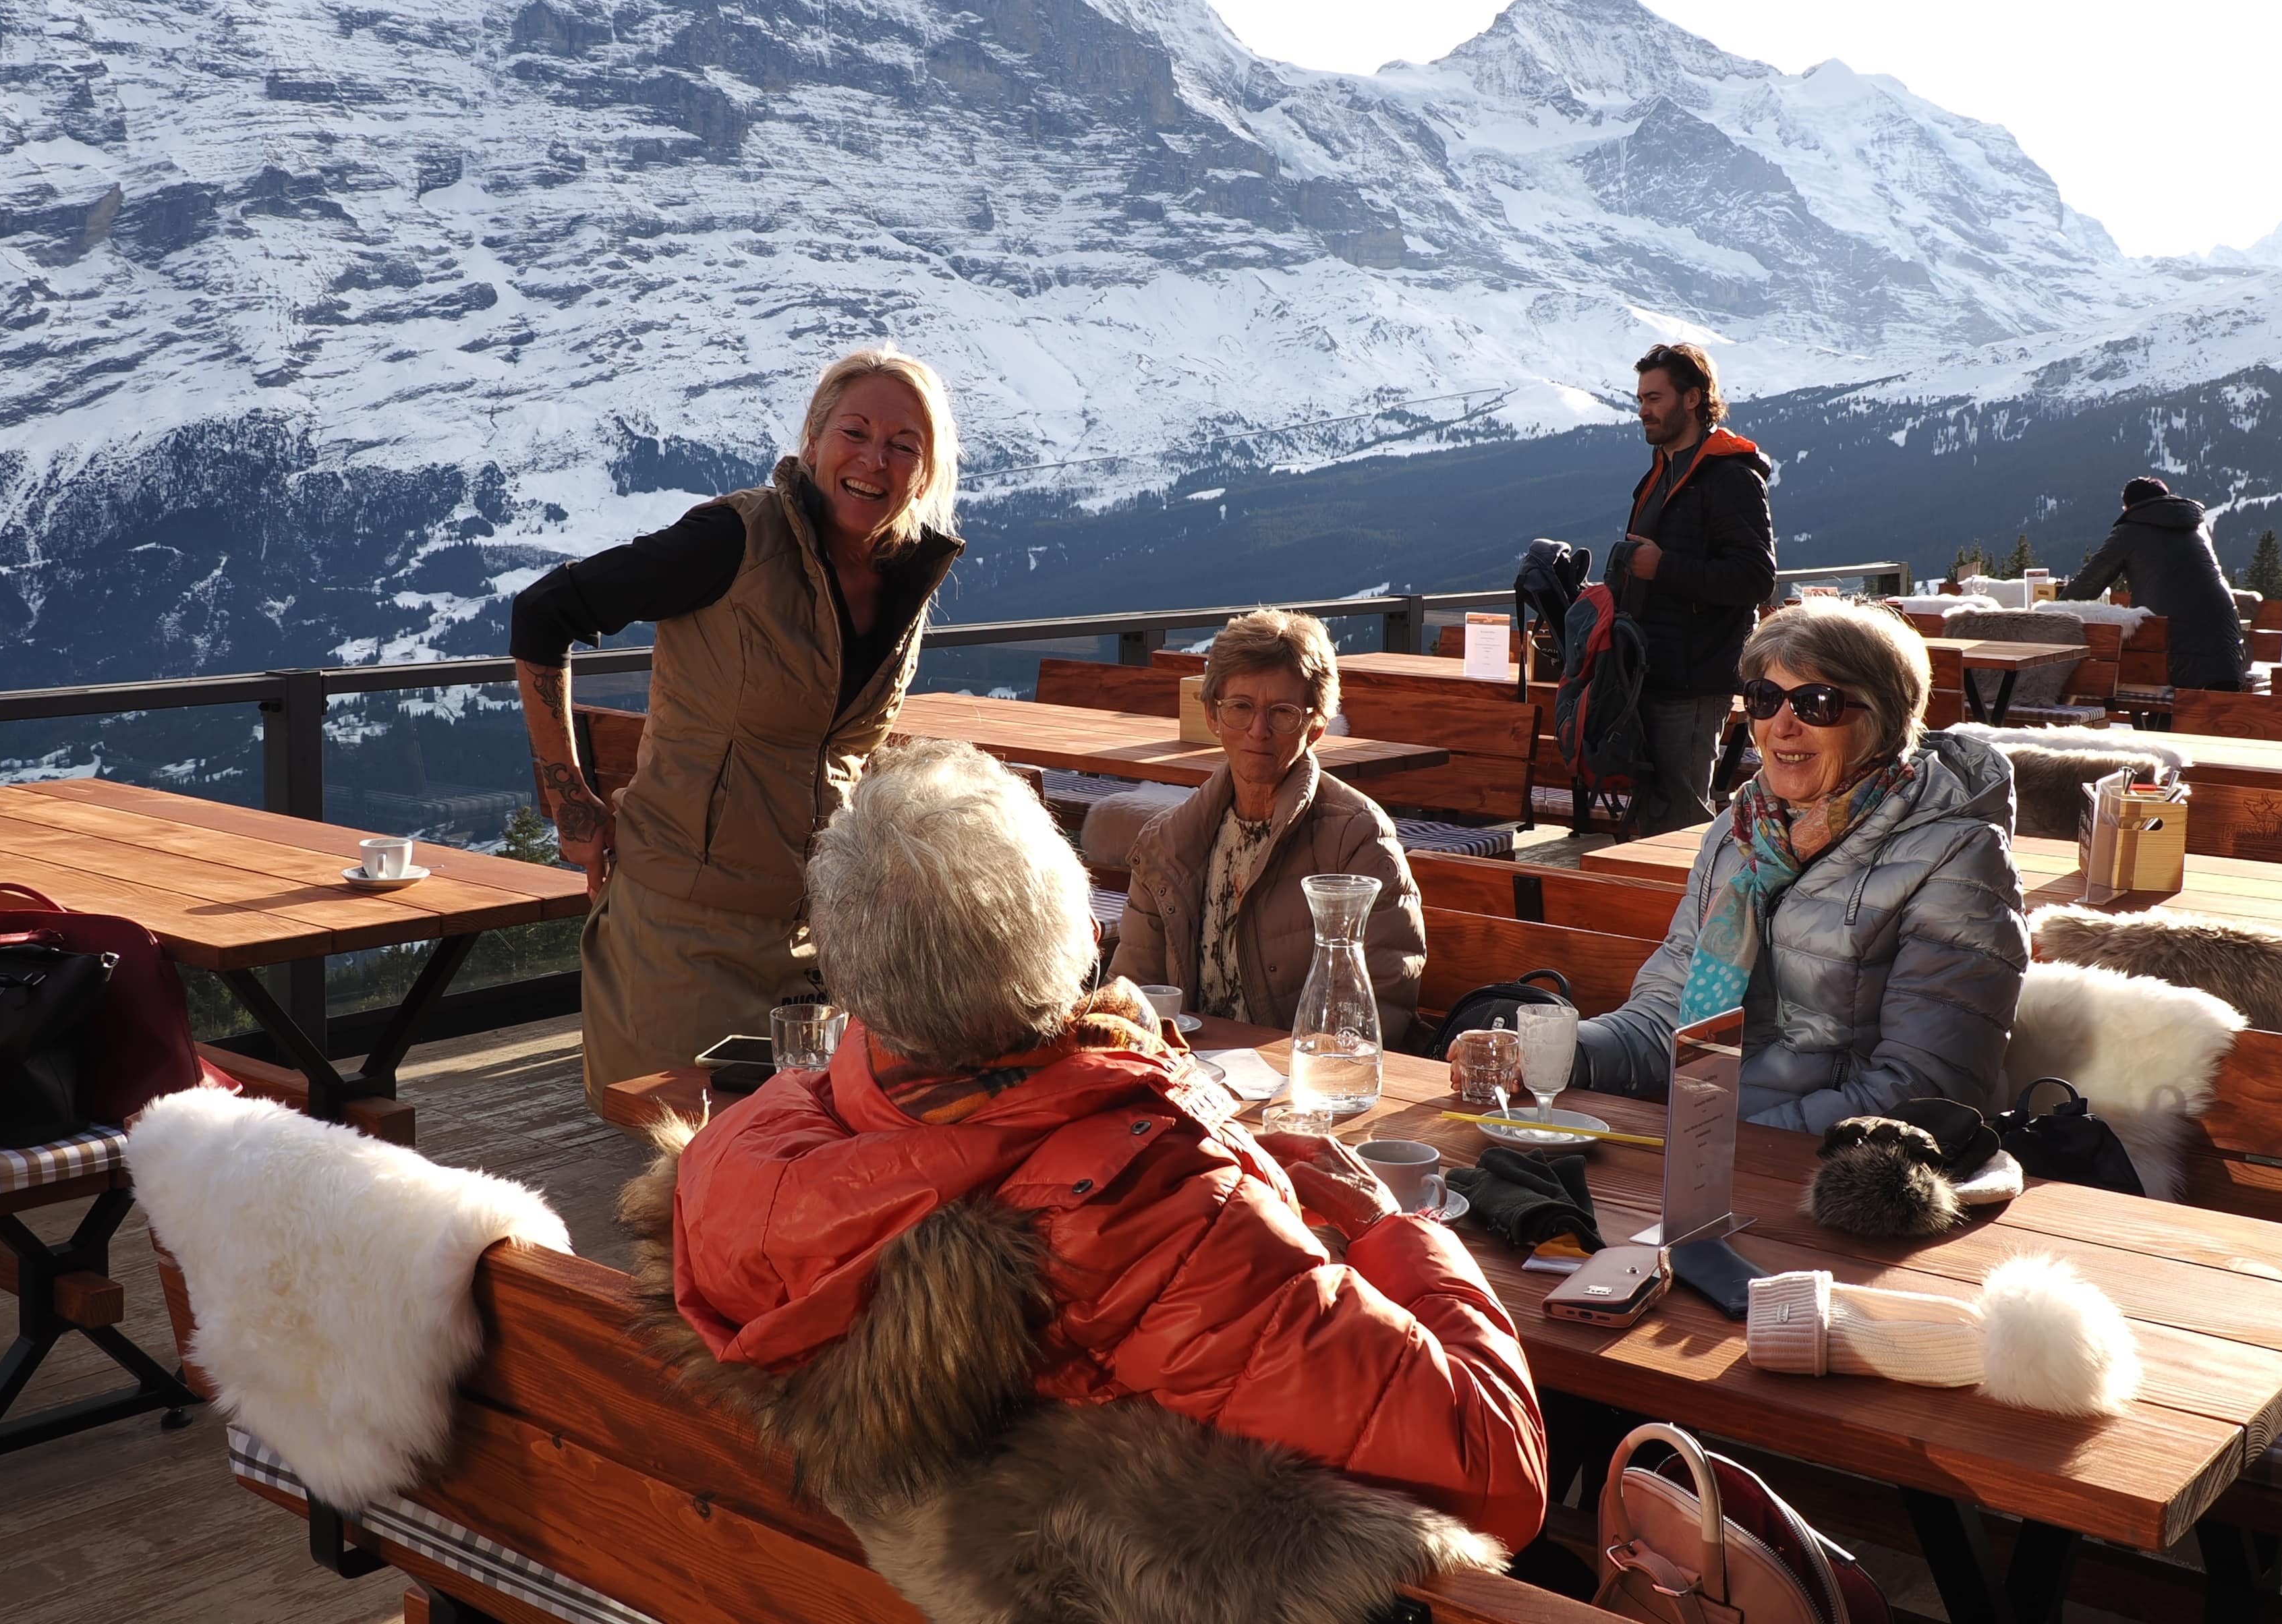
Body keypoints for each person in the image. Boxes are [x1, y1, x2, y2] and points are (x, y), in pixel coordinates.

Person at [629, 739, 1547, 1613]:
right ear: (1074, 929)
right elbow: (1501, 1468)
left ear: (856, 972)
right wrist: (1395, 1230)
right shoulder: (1167, 1213)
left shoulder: (757, 1161)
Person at [511, 346, 963, 1091]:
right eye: (854, 433)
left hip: (820, 939)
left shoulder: (903, 570)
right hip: (686, 935)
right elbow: (543, 611)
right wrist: (570, 801)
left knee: (813, 1147)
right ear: (812, 440)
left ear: (926, 469)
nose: (874, 460)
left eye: (903, 445)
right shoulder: (734, 540)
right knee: (685, 1150)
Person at [1570, 598, 2026, 1128]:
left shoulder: (1958, 857)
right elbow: (1666, 1019)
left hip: (1834, 1158)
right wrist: (1554, 1053)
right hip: (1710, 1133)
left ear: (1883, 719)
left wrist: (1731, 1143)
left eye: (1816, 704)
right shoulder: (1741, 831)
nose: (1782, 725)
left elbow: (1925, 1088)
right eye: (1765, 698)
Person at [1111, 609, 1426, 1045]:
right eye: (1240, 707)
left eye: (1282, 712)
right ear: (1213, 716)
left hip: (1303, 1073)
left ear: (1316, 726)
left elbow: (1381, 1003)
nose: (1258, 731)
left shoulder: (1357, 837)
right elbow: (1131, 999)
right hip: (1185, 1066)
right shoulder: (1165, 843)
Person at [1619, 341, 1777, 832]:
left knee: (1681, 817)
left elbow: (1756, 577)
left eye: (1655, 398)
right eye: (1641, 399)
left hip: (1694, 680)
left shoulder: (1729, 477)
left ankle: (1696, 885)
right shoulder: (1662, 473)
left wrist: (1663, 567)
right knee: (1653, 813)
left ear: (1692, 399)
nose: (1643, 411)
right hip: (1648, 673)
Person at [2063, 477, 2251, 691]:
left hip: (2171, 650)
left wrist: (2051, 612)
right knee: (2209, 704)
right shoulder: (2196, 527)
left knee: (2114, 678)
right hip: (2227, 644)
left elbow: (2088, 583)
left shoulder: (2129, 531)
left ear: (2130, 507)